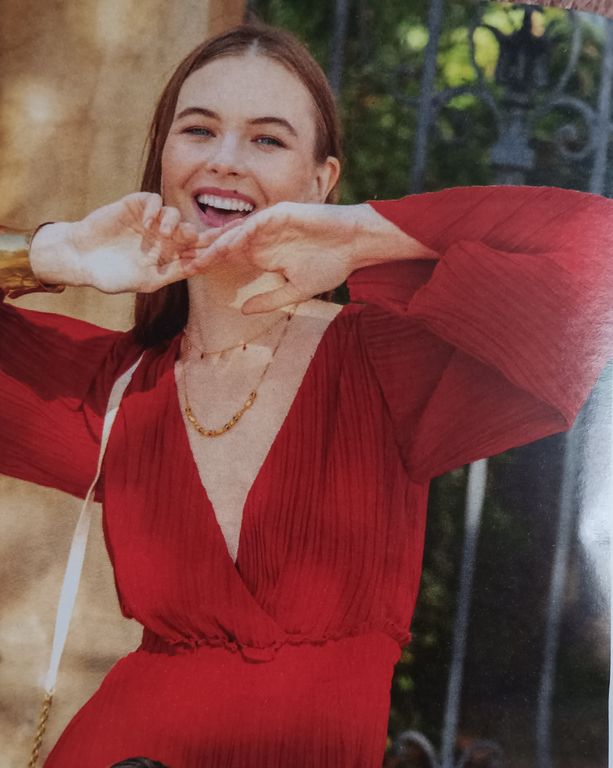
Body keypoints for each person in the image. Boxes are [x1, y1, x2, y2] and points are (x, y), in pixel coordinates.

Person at [1, 22, 612, 768]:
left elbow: (599, 265)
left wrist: (365, 235)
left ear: (321, 180)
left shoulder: (389, 364)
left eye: (267, 139)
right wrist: (54, 252)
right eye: (199, 130)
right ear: (163, 159)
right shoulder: (116, 392)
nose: (225, 160)